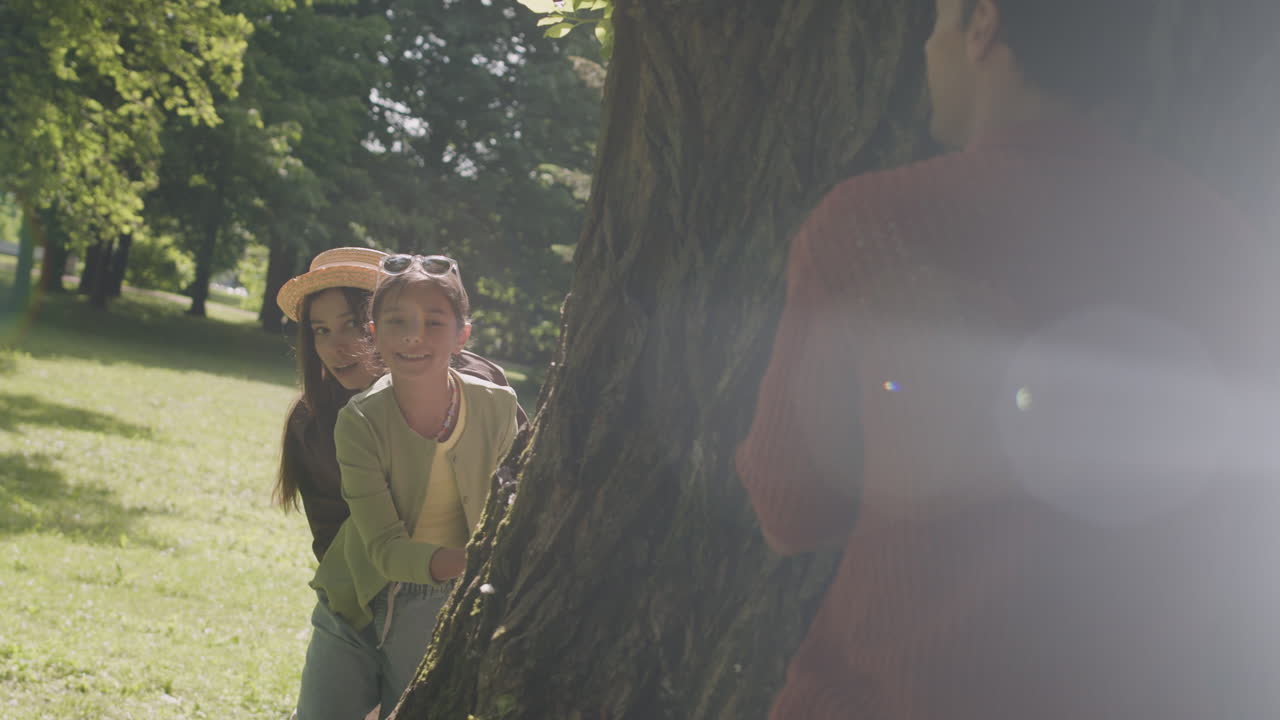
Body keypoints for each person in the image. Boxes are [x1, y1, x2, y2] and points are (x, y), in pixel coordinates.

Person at [735, 1, 1280, 718]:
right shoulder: (1231, 246)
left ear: (984, 24)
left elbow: (791, 508)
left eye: (936, 22)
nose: (927, 49)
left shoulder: (873, 223)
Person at [275, 247, 526, 563]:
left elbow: (524, 485)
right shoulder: (311, 421)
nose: (335, 347)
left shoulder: (481, 388)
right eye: (321, 330)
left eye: (351, 324)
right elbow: (330, 541)